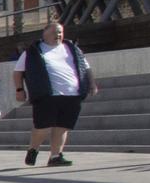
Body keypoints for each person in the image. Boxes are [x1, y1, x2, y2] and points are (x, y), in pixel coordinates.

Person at [12, 19, 97, 167]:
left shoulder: (72, 49)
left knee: (63, 126)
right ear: (44, 34)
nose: (57, 35)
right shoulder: (33, 51)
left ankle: (55, 156)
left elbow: (86, 68)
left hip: (72, 94)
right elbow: (18, 72)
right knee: (42, 126)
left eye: (60, 32)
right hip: (46, 94)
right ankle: (33, 149)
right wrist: (20, 90)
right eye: (54, 32)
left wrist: (92, 84)